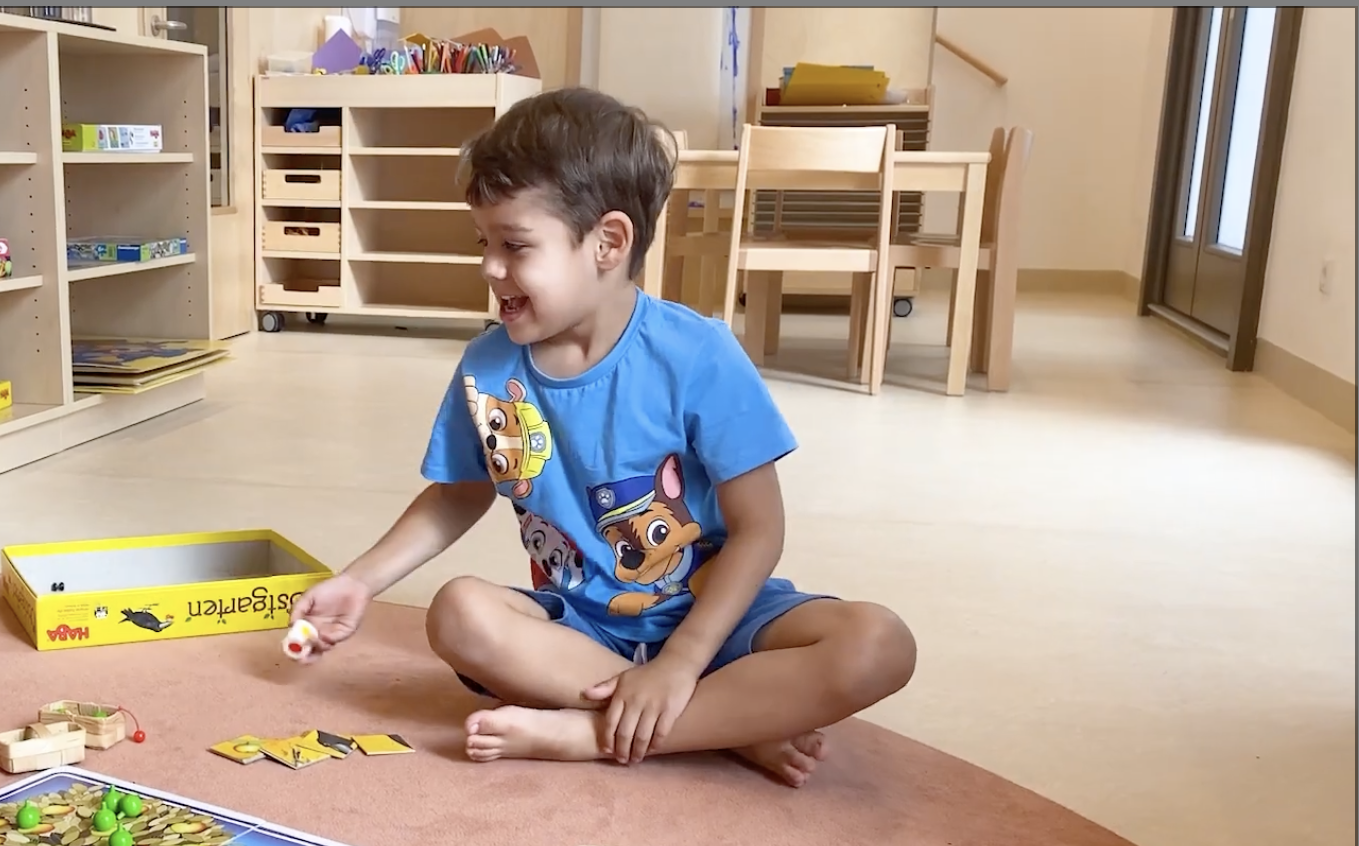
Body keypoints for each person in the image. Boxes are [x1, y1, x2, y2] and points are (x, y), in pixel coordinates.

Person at [287, 87, 917, 787]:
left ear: (609, 243)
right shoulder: (489, 367)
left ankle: (598, 733)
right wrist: (359, 580)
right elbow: (459, 494)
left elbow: (759, 531)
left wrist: (683, 662)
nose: (491, 269)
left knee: (878, 644)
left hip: (715, 620)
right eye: (484, 243)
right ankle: (723, 727)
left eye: (515, 246)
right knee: (458, 614)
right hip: (582, 632)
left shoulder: (698, 353)